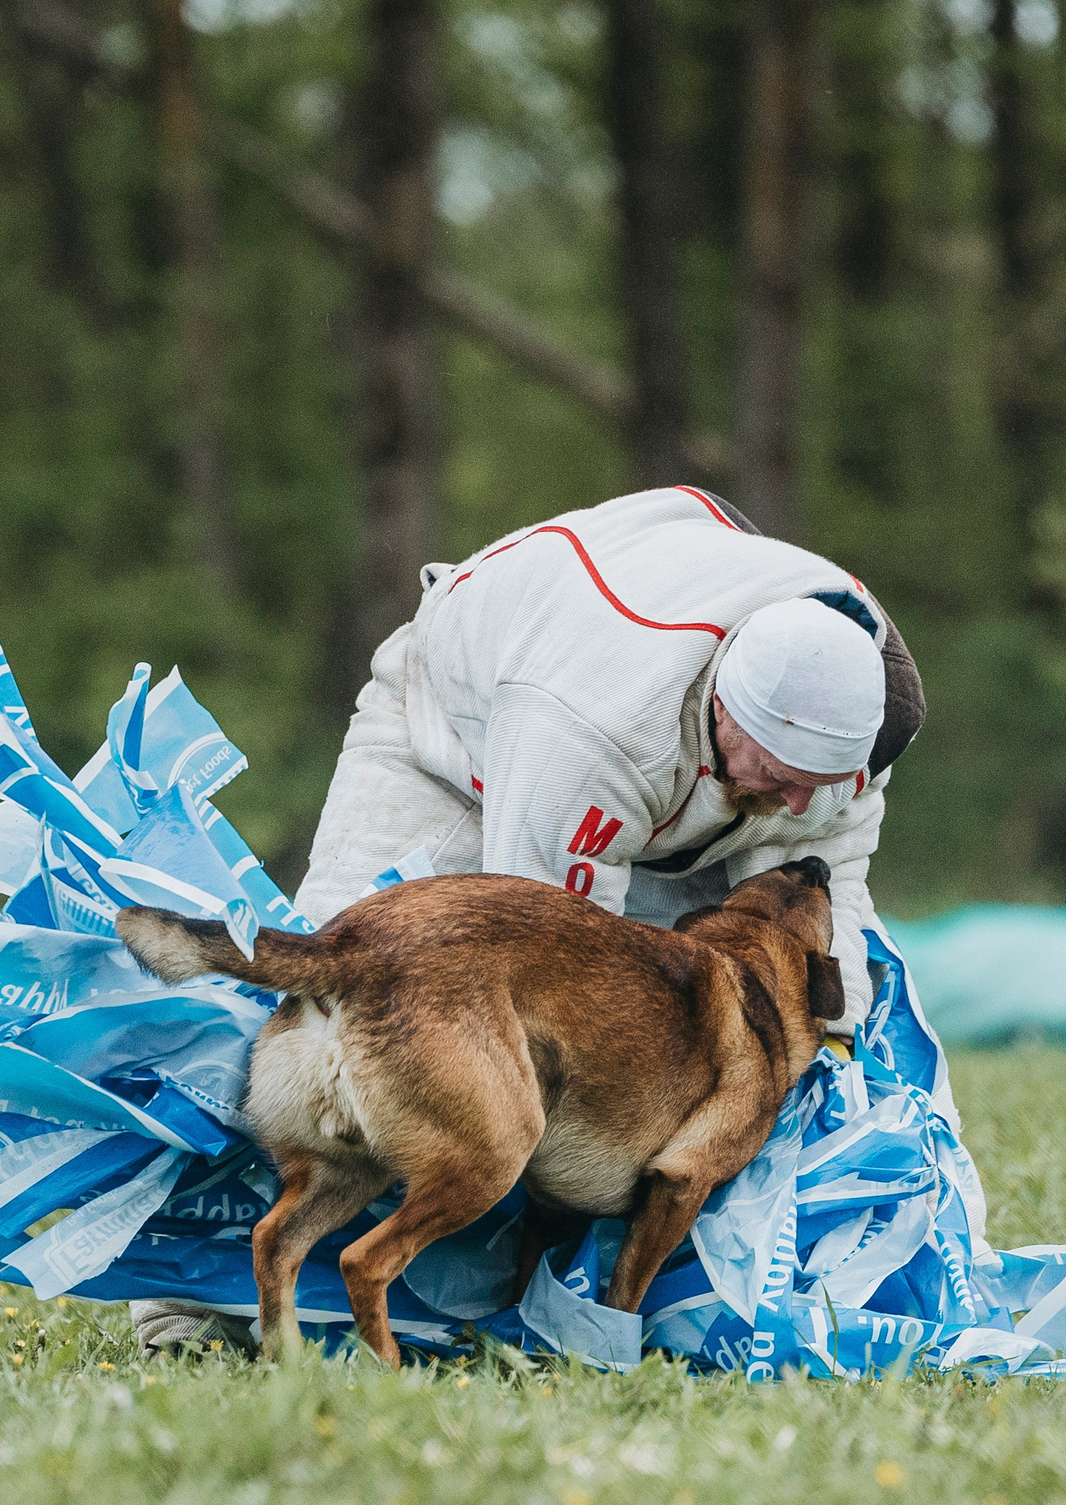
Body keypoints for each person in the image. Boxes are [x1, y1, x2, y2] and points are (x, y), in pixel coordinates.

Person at [129, 484, 924, 1352]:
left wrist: (835, 1039)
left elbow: (829, 892)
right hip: (454, 736)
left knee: (715, 1044)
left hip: (678, 787)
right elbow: (558, 944)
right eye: (783, 774)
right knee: (328, 1005)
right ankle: (188, 1303)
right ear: (730, 707)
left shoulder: (855, 711)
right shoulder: (594, 725)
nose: (799, 803)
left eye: (823, 783)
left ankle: (551, 1302)